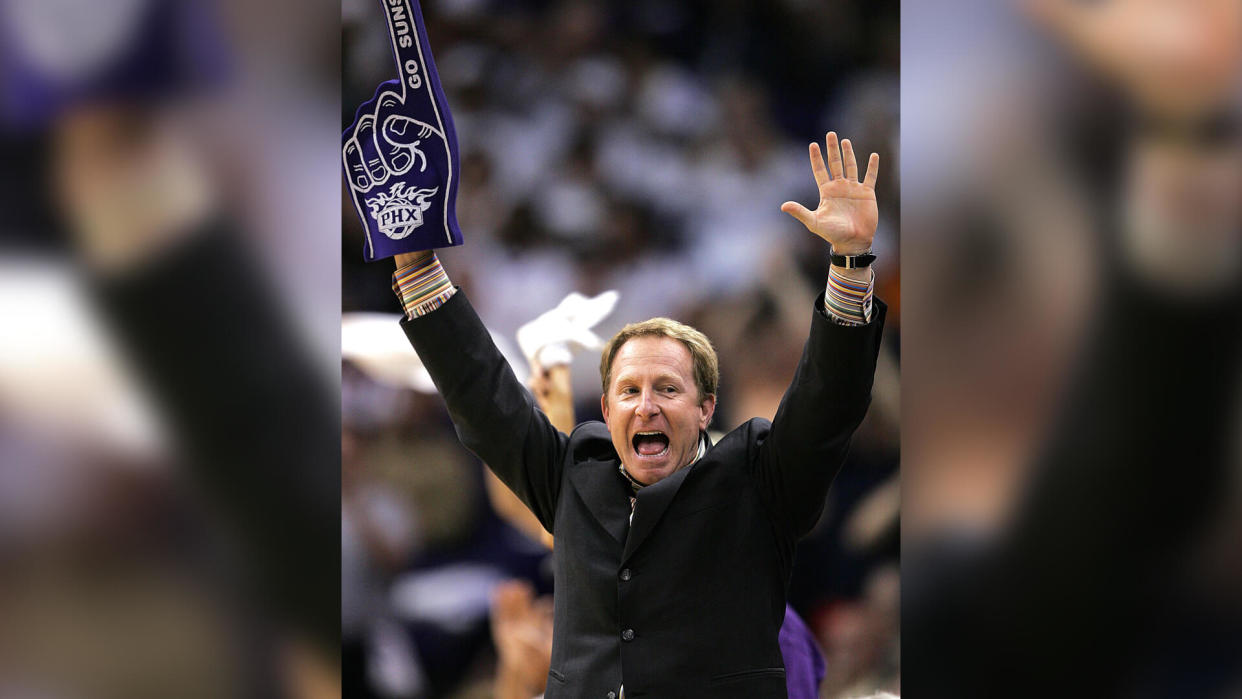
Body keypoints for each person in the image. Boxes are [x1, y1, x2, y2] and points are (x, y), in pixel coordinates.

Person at [394, 132, 886, 698]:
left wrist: (850, 268)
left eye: (668, 388)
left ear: (706, 409)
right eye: (629, 390)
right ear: (605, 408)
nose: (646, 404)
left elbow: (827, 407)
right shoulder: (573, 472)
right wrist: (416, 265)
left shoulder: (757, 481)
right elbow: (483, 398)